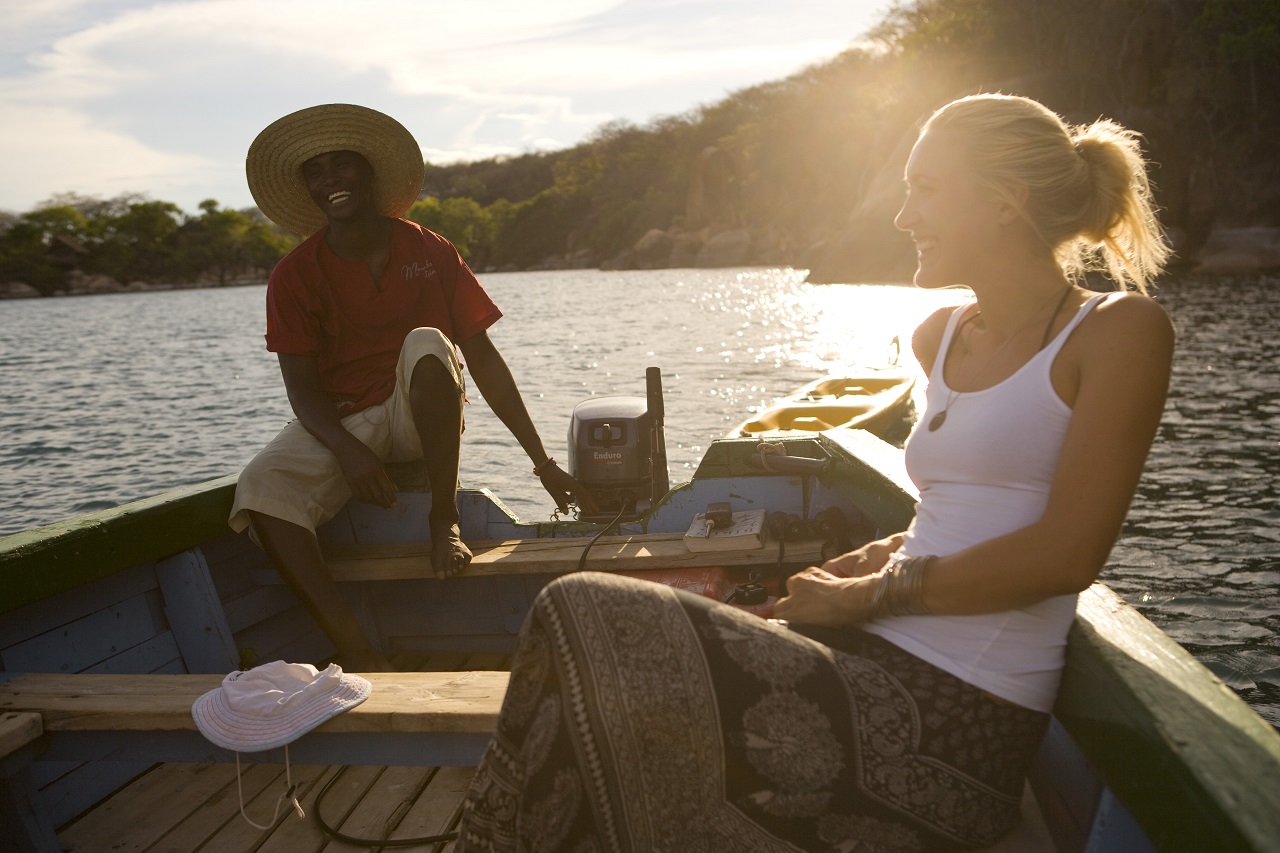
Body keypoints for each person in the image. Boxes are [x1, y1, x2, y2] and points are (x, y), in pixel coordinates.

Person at [455, 93, 1174, 851]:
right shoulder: (939, 336)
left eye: (925, 188)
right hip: (867, 660)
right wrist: (865, 564)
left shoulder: (1118, 331)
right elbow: (959, 510)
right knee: (595, 692)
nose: (903, 217)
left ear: (1005, 201)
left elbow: (1067, 554)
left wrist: (867, 593)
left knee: (575, 608)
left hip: (953, 723)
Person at [229, 104, 589, 671]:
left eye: (341, 166)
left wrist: (543, 464)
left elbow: (485, 361)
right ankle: (356, 647)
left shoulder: (429, 249)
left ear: (370, 173)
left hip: (418, 413)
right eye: (315, 173)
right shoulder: (293, 275)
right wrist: (348, 451)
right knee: (259, 489)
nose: (330, 182)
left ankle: (441, 521)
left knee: (426, 342)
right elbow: (302, 391)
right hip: (342, 422)